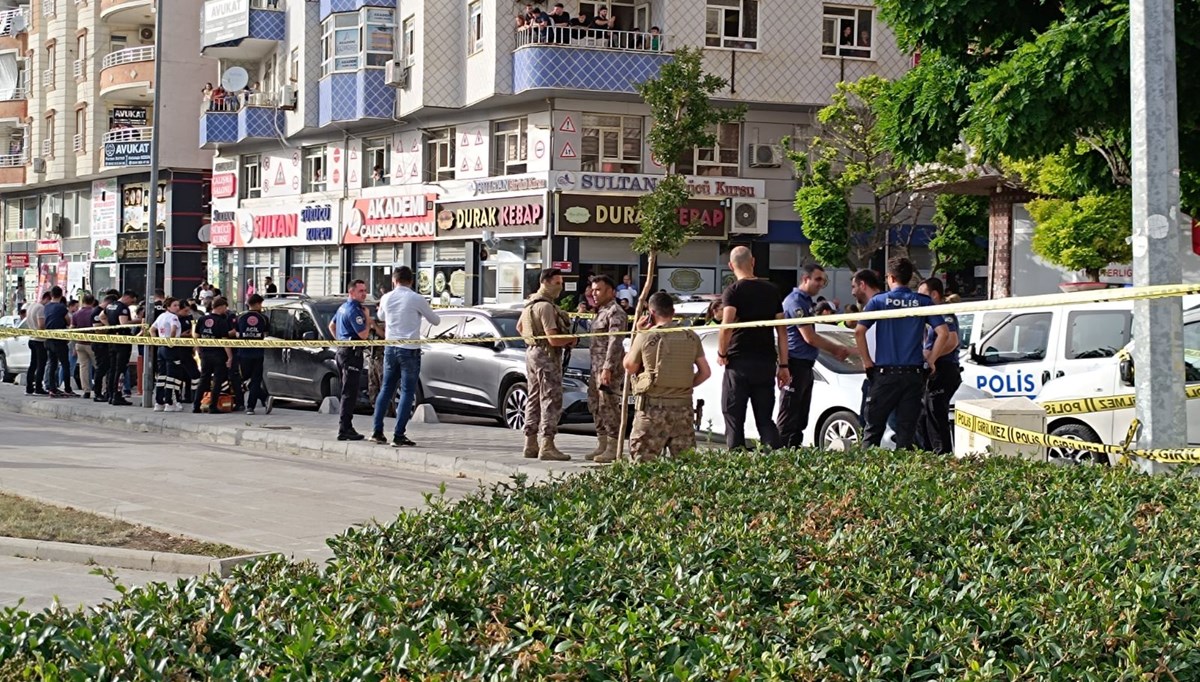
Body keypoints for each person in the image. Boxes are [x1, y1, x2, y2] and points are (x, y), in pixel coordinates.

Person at [854, 258, 952, 450]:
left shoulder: (879, 301)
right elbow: (944, 332)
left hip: (885, 374)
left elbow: (859, 332)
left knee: (872, 431)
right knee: (906, 434)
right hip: (913, 375)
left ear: (890, 277)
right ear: (909, 277)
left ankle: (865, 467)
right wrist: (931, 360)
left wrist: (867, 362)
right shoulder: (923, 302)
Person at [623, 292, 711, 462]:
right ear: (673, 311)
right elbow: (705, 372)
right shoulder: (691, 336)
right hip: (684, 410)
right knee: (686, 465)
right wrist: (684, 385)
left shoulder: (645, 336)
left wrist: (637, 335)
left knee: (644, 464)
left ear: (651, 312)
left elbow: (629, 366)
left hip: (653, 409)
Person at [717, 246, 789, 451]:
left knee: (733, 418)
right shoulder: (772, 290)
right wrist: (784, 365)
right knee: (765, 419)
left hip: (738, 362)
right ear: (753, 261)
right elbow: (782, 331)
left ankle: (737, 461)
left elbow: (726, 326)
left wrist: (722, 353)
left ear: (731, 266)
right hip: (766, 362)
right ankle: (776, 460)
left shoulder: (733, 291)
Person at [776, 265, 851, 448]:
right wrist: (836, 349)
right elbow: (809, 337)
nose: (820, 284)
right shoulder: (795, 302)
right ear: (805, 278)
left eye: (823, 281)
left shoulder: (807, 302)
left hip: (806, 365)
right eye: (817, 279)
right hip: (794, 364)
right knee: (789, 417)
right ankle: (780, 455)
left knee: (800, 418)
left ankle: (794, 453)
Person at [371, 267, 440, 447]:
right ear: (411, 281)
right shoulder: (416, 298)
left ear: (394, 281)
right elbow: (435, 320)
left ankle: (377, 431)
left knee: (386, 388)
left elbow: (381, 316)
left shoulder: (386, 297)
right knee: (408, 391)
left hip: (390, 348)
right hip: (409, 349)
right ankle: (398, 435)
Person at [516, 268, 576, 461]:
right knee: (551, 399)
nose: (560, 287)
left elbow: (519, 327)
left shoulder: (529, 304)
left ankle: (530, 443)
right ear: (545, 282)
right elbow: (553, 339)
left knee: (533, 397)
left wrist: (533, 338)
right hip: (547, 355)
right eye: (557, 283)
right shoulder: (546, 307)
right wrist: (571, 339)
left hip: (532, 353)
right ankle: (547, 445)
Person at [585, 275, 629, 463]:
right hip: (596, 367)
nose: (594, 293)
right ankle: (602, 443)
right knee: (595, 405)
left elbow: (615, 341)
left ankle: (613, 447)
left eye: (598, 290)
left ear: (611, 292)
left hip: (608, 369)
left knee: (608, 405)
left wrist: (608, 368)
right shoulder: (600, 311)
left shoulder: (615, 312)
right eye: (593, 290)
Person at [915, 277, 962, 454]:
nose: (919, 299)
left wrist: (932, 357)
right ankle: (929, 453)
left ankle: (942, 455)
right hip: (934, 369)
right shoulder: (931, 316)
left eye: (923, 294)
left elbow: (951, 340)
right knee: (924, 414)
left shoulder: (944, 313)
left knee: (935, 412)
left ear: (934, 294)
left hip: (944, 368)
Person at [329, 280, 373, 441]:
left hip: (343, 351)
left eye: (365, 290)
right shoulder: (355, 310)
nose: (364, 294)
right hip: (351, 354)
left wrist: (340, 341)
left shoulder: (343, 307)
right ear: (351, 292)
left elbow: (331, 326)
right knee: (349, 392)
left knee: (347, 390)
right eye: (361, 291)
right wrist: (367, 317)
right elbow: (363, 335)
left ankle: (346, 426)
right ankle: (344, 428)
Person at [850, 269, 884, 426]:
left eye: (854, 287)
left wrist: (867, 362)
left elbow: (859, 333)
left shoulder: (877, 305)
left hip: (878, 373)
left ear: (862, 285)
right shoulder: (879, 305)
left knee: (870, 424)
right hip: (881, 372)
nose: (852, 292)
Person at [193, 296, 234, 413]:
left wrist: (198, 351)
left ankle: (196, 405)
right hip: (218, 355)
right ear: (220, 307)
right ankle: (213, 406)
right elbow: (225, 341)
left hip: (205, 354)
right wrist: (230, 357)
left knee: (203, 379)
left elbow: (196, 337)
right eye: (225, 307)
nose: (226, 310)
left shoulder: (202, 319)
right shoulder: (222, 322)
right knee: (217, 381)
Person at [236, 294, 273, 415]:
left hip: (243, 353)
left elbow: (237, 334)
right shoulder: (263, 318)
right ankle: (253, 405)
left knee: (246, 379)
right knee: (255, 380)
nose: (261, 307)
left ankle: (263, 399)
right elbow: (266, 335)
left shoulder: (241, 317)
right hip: (258, 353)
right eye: (261, 304)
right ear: (257, 304)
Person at [150, 297, 184, 411]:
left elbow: (151, 329)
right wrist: (171, 341)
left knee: (162, 375)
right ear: (168, 307)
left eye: (178, 305)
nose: (177, 307)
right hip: (171, 348)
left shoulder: (161, 316)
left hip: (161, 348)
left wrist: (156, 342)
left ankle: (159, 402)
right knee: (172, 375)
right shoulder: (173, 317)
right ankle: (170, 402)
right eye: (175, 305)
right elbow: (173, 330)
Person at [103, 290, 136, 406]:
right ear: (128, 297)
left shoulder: (110, 305)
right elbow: (124, 323)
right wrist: (137, 321)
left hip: (112, 339)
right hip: (122, 341)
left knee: (112, 368)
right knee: (120, 369)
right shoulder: (123, 308)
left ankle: (110, 394)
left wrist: (110, 327)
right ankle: (117, 395)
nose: (131, 304)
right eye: (131, 301)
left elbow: (102, 316)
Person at [42, 287, 73, 397]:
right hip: (59, 339)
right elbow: (68, 321)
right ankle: (67, 388)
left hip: (48, 338)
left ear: (51, 295)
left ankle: (52, 388)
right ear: (61, 294)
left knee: (52, 364)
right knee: (65, 364)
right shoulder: (62, 307)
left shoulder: (46, 307)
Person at [23, 291, 49, 396]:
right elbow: (41, 325)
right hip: (40, 340)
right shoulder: (41, 308)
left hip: (32, 338)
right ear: (47, 298)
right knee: (41, 364)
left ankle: (29, 387)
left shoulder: (31, 306)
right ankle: (38, 388)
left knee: (33, 364)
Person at [72, 295, 97, 399]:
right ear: (93, 302)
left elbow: (72, 329)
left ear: (83, 301)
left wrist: (74, 343)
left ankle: (86, 391)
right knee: (99, 367)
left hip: (79, 343)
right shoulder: (95, 312)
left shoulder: (76, 314)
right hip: (92, 344)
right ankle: (101, 389)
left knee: (83, 367)